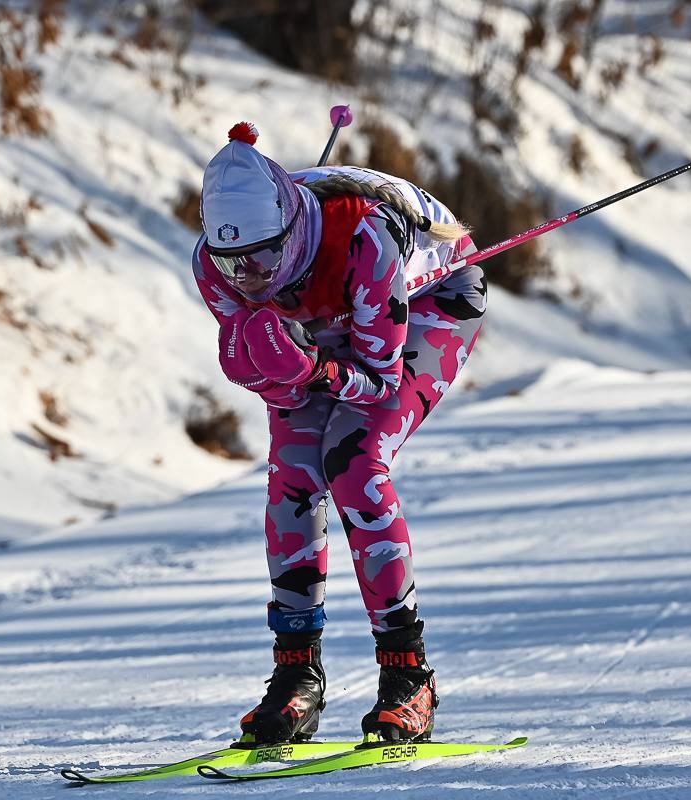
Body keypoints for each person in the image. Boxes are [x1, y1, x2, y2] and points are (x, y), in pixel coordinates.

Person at [191, 121, 488, 744]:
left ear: (289, 228)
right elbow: (278, 381)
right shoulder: (218, 269)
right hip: (325, 315)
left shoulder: (364, 238)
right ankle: (296, 675)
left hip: (428, 299)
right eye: (230, 261)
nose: (248, 277)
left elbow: (379, 382)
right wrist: (274, 374)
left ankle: (408, 676)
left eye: (262, 257)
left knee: (354, 463)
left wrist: (311, 366)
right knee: (293, 477)